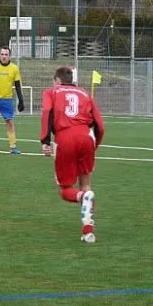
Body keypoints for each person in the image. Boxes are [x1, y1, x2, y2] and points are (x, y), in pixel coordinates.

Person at [40, 66, 105, 243]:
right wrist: (94, 146)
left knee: (64, 190)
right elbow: (100, 125)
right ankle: (88, 232)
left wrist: (45, 141)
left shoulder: (51, 92)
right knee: (86, 184)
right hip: (86, 136)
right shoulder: (84, 93)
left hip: (65, 137)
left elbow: (47, 113)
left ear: (57, 81)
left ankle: (83, 198)